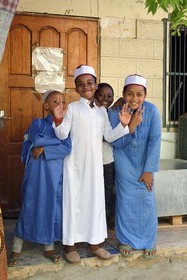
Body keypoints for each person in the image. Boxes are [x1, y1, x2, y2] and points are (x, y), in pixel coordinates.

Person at [52, 65, 132, 263]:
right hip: (74, 165)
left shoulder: (101, 112)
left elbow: (109, 136)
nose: (86, 87)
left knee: (94, 203)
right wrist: (58, 117)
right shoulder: (72, 108)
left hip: (95, 167)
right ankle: (70, 245)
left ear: (95, 85)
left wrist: (123, 124)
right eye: (81, 84)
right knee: (74, 202)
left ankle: (95, 243)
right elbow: (62, 134)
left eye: (89, 83)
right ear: (77, 88)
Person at [8, 90, 72, 266]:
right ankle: (16, 249)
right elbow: (37, 140)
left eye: (63, 102)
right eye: (55, 101)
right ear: (46, 106)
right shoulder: (38, 123)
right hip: (36, 175)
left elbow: (67, 148)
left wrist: (46, 149)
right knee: (30, 206)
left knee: (51, 208)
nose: (60, 104)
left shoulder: (65, 128)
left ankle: (49, 248)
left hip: (54, 176)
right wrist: (49, 145)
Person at [108, 74, 162, 259]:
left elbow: (155, 141)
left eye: (139, 94)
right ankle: (125, 239)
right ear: (123, 94)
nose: (134, 99)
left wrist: (149, 170)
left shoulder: (153, 111)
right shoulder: (114, 113)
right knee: (126, 200)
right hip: (124, 160)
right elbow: (117, 142)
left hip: (145, 163)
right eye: (129, 94)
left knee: (146, 199)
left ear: (145, 95)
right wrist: (132, 124)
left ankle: (148, 240)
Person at [94, 83, 116, 229]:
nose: (105, 98)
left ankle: (108, 222)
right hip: (93, 161)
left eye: (109, 96)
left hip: (108, 160)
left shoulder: (113, 113)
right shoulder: (93, 112)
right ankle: (96, 223)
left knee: (109, 190)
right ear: (95, 94)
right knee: (95, 191)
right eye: (101, 94)